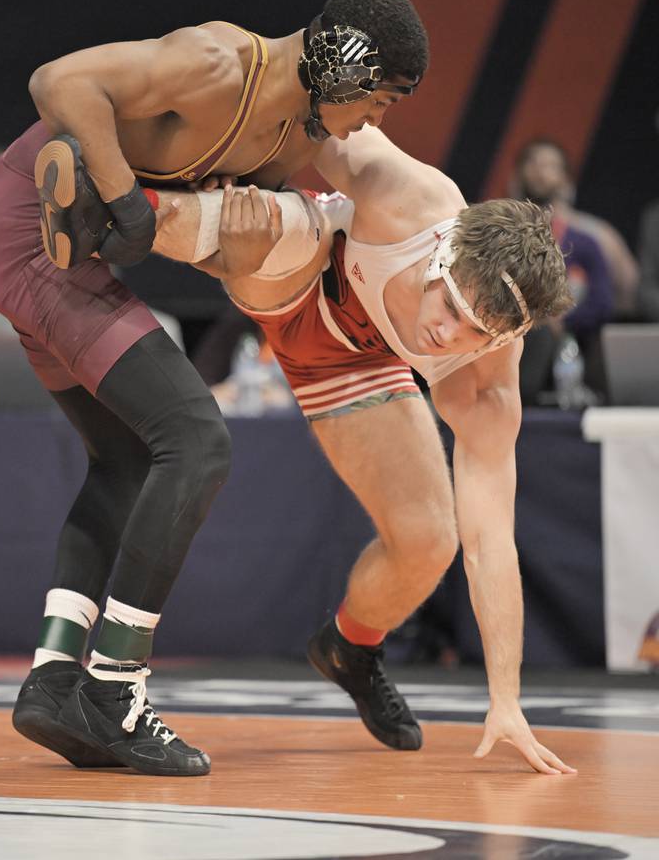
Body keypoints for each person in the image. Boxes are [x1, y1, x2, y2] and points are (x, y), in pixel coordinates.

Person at [0, 0, 429, 776]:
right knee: (197, 439)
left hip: (56, 246)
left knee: (128, 460)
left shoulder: (288, 139)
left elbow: (201, 238)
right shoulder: (217, 62)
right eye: (378, 100)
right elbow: (59, 82)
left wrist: (228, 248)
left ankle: (54, 677)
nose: (374, 122)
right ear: (346, 69)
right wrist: (119, 199)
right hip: (26, 227)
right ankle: (115, 691)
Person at [139, 124, 577, 775]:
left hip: (348, 363)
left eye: (473, 331)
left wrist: (506, 699)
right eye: (451, 303)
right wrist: (210, 160)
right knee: (259, 222)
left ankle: (350, 646)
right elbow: (296, 110)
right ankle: (117, 207)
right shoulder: (409, 195)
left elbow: (493, 542)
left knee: (432, 539)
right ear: (447, 250)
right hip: (305, 267)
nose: (444, 330)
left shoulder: (487, 380)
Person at [512, 139, 615, 400]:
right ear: (519, 173)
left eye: (549, 165)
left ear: (565, 179)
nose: (540, 171)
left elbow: (602, 302)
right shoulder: (502, 236)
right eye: (533, 163)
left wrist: (562, 320)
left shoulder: (584, 241)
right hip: (512, 337)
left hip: (570, 345)